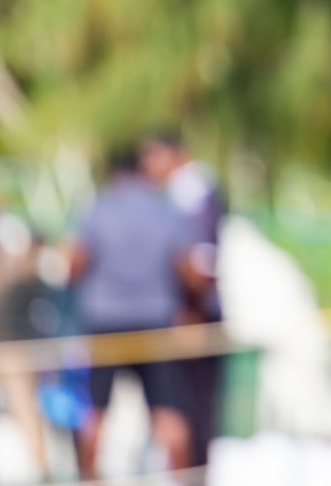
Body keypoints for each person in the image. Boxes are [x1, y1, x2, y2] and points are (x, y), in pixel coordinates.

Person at [68, 147, 206, 478]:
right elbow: (188, 269)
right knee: (169, 415)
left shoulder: (98, 208)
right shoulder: (164, 210)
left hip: (105, 321)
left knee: (94, 415)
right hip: (155, 323)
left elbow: (74, 263)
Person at [139, 131, 224, 466]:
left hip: (195, 316)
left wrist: (190, 310)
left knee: (194, 412)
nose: (148, 165)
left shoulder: (192, 191)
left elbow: (201, 266)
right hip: (184, 315)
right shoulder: (176, 194)